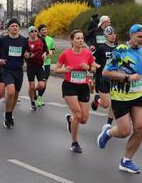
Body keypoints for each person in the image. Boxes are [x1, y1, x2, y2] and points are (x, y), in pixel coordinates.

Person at [97, 24, 142, 174]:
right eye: (140, 36)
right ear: (131, 36)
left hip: (138, 94)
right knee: (124, 131)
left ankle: (126, 161)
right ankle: (108, 133)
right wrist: (127, 77)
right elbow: (105, 72)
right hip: (120, 96)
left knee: (140, 128)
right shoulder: (121, 50)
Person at [54, 30, 97, 153]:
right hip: (69, 86)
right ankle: (74, 142)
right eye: (78, 38)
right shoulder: (65, 54)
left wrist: (88, 67)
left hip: (83, 86)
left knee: (84, 119)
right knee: (78, 114)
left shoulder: (87, 54)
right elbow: (56, 69)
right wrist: (65, 70)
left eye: (82, 38)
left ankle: (70, 120)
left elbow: (94, 69)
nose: (81, 41)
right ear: (72, 40)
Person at [0, 18, 30, 128]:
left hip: (18, 70)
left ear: (19, 28)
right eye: (12, 25)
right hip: (6, 69)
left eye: (17, 26)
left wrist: (28, 55)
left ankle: (9, 113)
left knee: (15, 94)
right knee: (11, 92)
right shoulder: (3, 40)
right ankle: (8, 115)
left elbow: (28, 53)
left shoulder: (23, 40)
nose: (15, 27)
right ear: (9, 27)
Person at [91, 26, 116, 127]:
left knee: (115, 103)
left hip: (115, 79)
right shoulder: (101, 48)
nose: (113, 35)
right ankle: (97, 99)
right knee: (106, 105)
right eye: (110, 34)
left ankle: (108, 125)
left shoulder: (118, 48)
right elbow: (91, 59)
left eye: (114, 33)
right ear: (105, 36)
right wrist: (94, 74)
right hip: (103, 79)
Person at [26, 26, 48, 111]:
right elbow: (24, 53)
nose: (34, 33)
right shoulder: (26, 42)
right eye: (32, 31)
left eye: (35, 31)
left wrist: (45, 54)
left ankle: (34, 91)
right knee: (31, 86)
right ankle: (32, 102)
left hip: (39, 66)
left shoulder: (41, 40)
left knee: (42, 85)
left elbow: (46, 49)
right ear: (29, 33)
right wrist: (26, 56)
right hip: (30, 66)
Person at [37, 24, 55, 106]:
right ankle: (33, 91)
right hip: (38, 63)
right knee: (41, 82)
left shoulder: (50, 39)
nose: (44, 31)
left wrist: (52, 52)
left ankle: (39, 97)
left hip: (47, 63)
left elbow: (52, 49)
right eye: (42, 30)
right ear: (39, 31)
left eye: (45, 29)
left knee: (44, 82)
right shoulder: (37, 39)